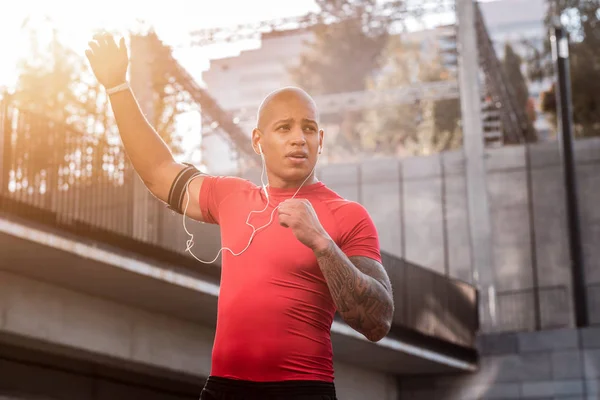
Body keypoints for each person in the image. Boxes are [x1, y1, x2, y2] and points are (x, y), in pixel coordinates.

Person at [85, 33, 394, 400]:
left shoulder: (346, 215)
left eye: (309, 128)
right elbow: (158, 171)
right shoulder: (232, 197)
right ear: (258, 140)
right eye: (285, 128)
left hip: (302, 391)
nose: (299, 138)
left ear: (321, 140)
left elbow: (378, 321)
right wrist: (118, 88)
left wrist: (322, 243)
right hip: (224, 391)